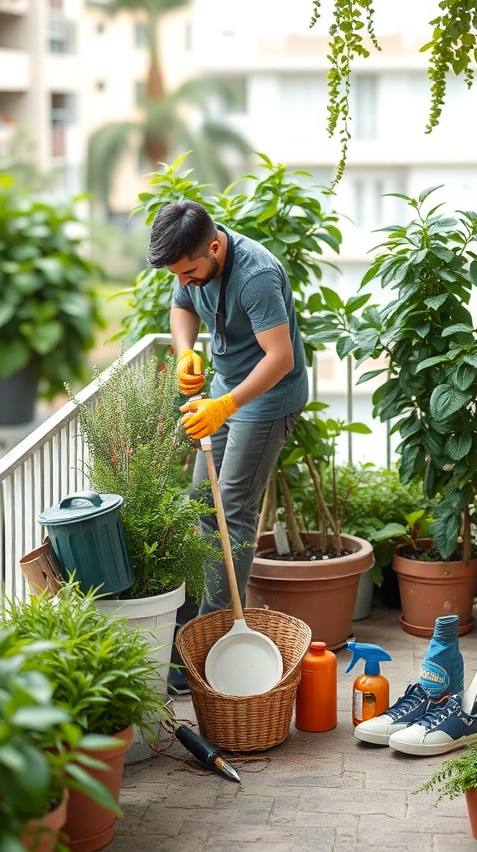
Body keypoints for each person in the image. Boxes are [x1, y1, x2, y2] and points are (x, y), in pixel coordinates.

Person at [147, 199, 309, 692]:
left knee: (231, 512)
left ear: (214, 247)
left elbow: (280, 359)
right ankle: (199, 629)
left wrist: (225, 405)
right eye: (180, 274)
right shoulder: (191, 260)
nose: (187, 281)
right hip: (224, 391)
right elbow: (180, 306)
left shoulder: (256, 275)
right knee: (201, 506)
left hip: (264, 398)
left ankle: (211, 642)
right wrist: (185, 352)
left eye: (192, 272)